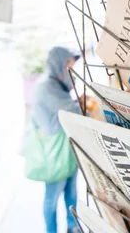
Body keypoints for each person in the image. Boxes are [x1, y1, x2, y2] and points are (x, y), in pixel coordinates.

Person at [32, 47, 83, 233]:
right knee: (52, 196)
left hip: (65, 148)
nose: (71, 68)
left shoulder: (56, 84)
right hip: (55, 151)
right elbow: (71, 110)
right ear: (58, 64)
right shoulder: (47, 86)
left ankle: (72, 226)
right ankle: (51, 230)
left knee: (71, 191)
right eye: (68, 64)